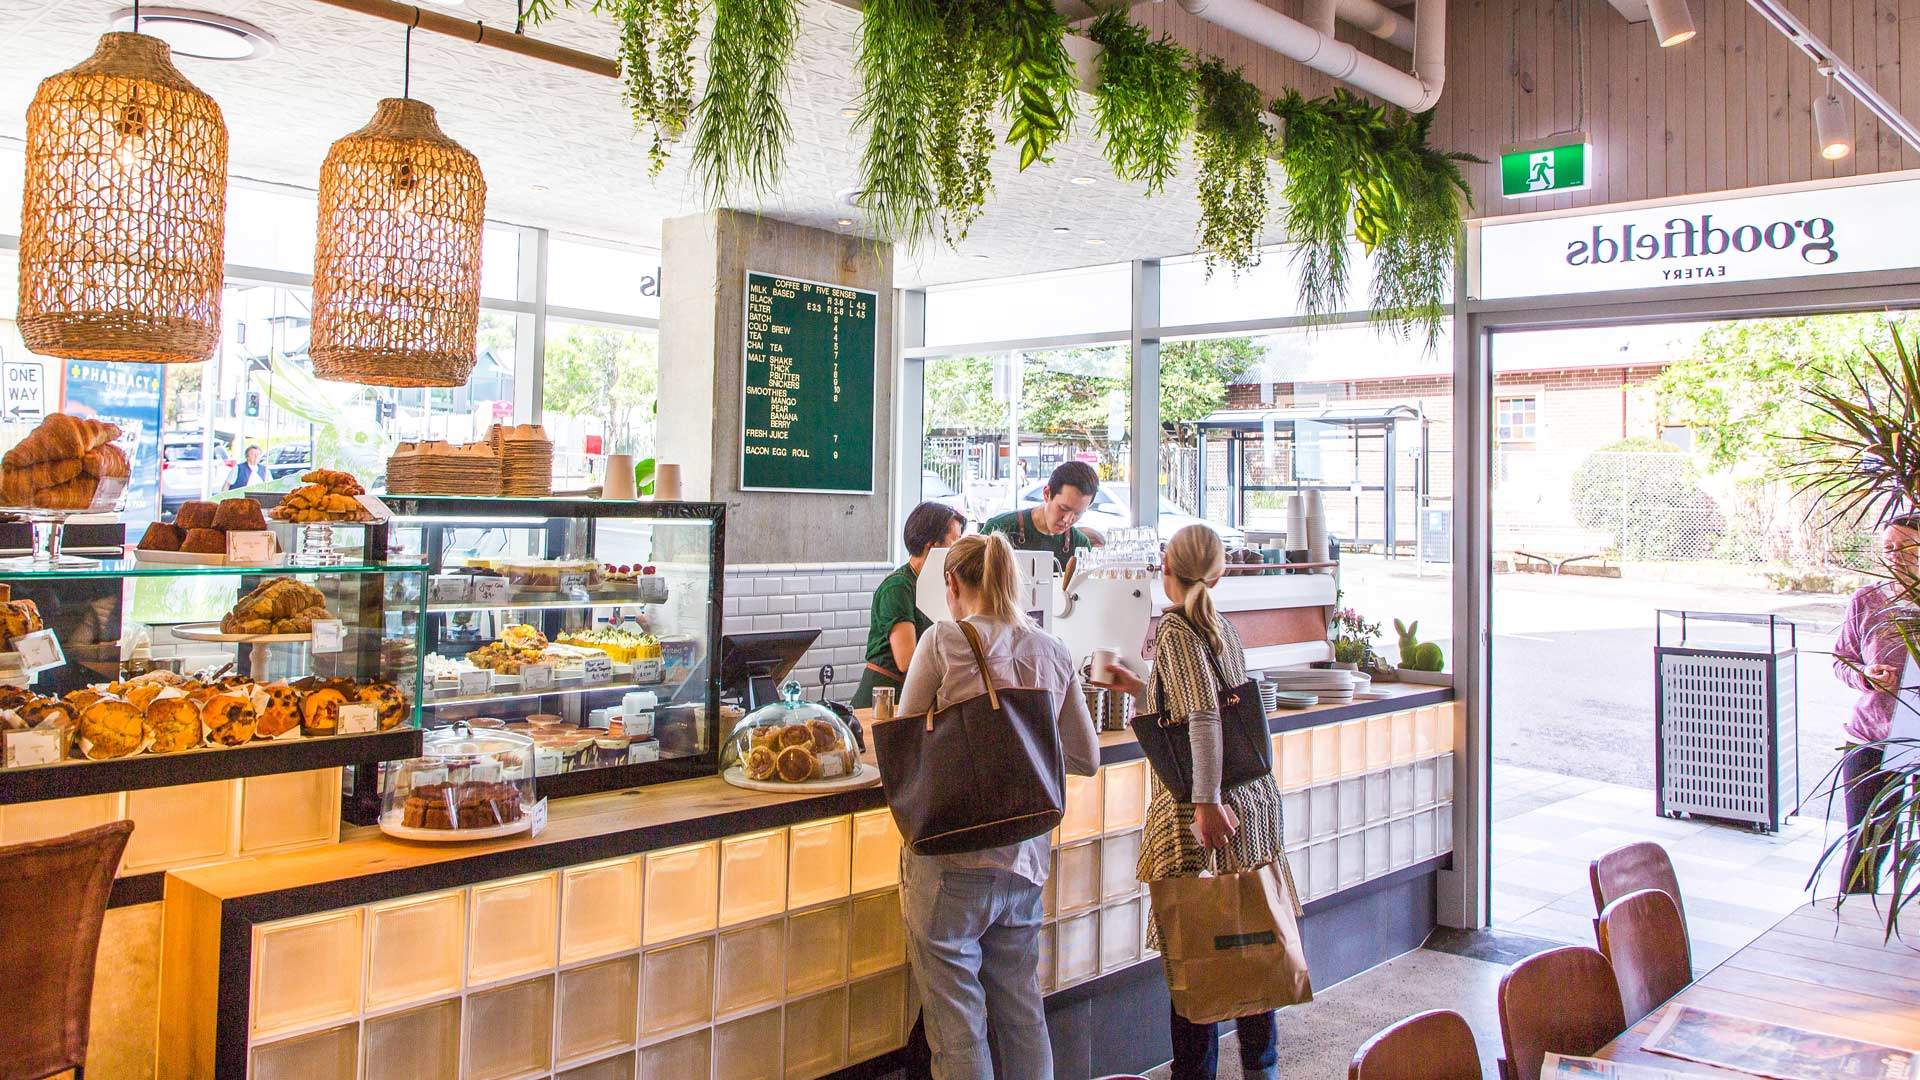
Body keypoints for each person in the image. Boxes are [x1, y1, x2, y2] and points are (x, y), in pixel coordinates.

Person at [1093, 525, 1296, 1080]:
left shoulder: (1179, 629)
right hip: (1250, 803)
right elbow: (1197, 707)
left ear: (1166, 567)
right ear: (1218, 571)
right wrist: (1137, 688)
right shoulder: (1217, 625)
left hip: (1202, 814)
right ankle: (1262, 1068)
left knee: (1197, 957)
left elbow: (1203, 718)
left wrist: (1205, 801)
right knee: (1250, 947)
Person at [895, 533, 1100, 1080]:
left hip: (951, 860)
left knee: (959, 1027)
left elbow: (906, 740)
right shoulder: (1051, 651)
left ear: (953, 584)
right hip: (1026, 860)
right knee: (1021, 1014)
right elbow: (1086, 757)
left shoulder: (941, 641)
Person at [1830, 515, 1920, 894]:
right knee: (1866, 843)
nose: (1895, 557)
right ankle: (1851, 931)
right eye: (1888, 550)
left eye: (1906, 548)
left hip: (1916, 738)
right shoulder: (1866, 600)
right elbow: (1842, 659)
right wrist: (1864, 675)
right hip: (1871, 739)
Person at [851, 501, 965, 709]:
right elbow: (907, 661)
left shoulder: (939, 585)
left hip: (913, 695)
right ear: (932, 546)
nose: (958, 550)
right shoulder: (898, 587)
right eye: (955, 541)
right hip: (883, 699)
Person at [981, 460, 1102, 579]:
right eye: (1063, 508)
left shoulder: (1080, 545)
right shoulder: (999, 528)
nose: (1067, 519)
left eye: (1078, 513)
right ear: (1046, 493)